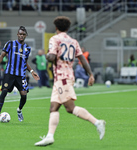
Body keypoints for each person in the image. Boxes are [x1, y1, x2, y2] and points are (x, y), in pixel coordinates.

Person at [35, 16, 106, 146]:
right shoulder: (73, 41)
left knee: (70, 108)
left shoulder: (55, 39)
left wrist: (46, 55)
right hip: (64, 77)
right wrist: (90, 74)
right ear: (67, 28)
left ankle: (97, 122)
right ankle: (50, 136)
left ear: (56, 28)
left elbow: (51, 57)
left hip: (62, 78)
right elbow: (82, 59)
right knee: (53, 108)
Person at [0, 26, 40, 123]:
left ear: (25, 36)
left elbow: (24, 62)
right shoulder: (10, 44)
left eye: (23, 34)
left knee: (24, 95)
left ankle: (19, 110)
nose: (21, 36)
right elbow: (2, 55)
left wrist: (31, 71)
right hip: (9, 74)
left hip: (20, 75)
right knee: (4, 92)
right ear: (17, 34)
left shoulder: (27, 48)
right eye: (20, 34)